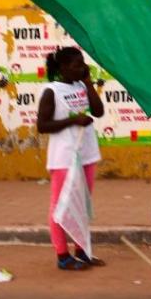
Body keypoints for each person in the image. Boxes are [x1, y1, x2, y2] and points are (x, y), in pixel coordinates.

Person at [37, 46, 105, 270]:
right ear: (63, 67)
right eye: (77, 64)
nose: (82, 67)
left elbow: (98, 111)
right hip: (64, 157)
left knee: (82, 204)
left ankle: (82, 250)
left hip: (87, 152)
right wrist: (73, 121)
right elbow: (42, 125)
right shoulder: (51, 91)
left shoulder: (81, 86)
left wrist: (87, 82)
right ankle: (62, 255)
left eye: (82, 63)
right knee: (61, 206)